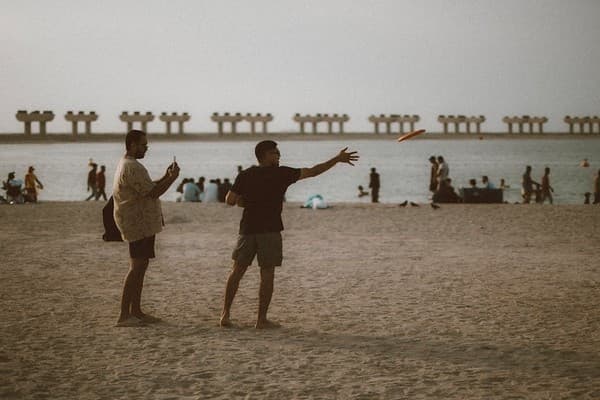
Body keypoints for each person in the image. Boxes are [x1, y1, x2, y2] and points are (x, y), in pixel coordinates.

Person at [220, 140, 358, 329]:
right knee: (267, 274)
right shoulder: (281, 173)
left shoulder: (246, 174)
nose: (279, 155)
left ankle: (225, 315)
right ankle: (261, 319)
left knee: (237, 271)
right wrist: (337, 159)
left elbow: (230, 200)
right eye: (275, 153)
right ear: (266, 155)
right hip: (270, 230)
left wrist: (248, 201)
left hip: (248, 229)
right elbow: (313, 171)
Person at [112, 130, 180, 327]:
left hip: (141, 223)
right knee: (136, 267)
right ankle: (124, 314)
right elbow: (153, 192)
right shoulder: (132, 166)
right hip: (137, 223)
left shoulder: (128, 164)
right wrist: (173, 178)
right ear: (132, 145)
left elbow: (147, 186)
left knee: (141, 266)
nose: (146, 149)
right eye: (143, 145)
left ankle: (136, 311)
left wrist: (166, 176)